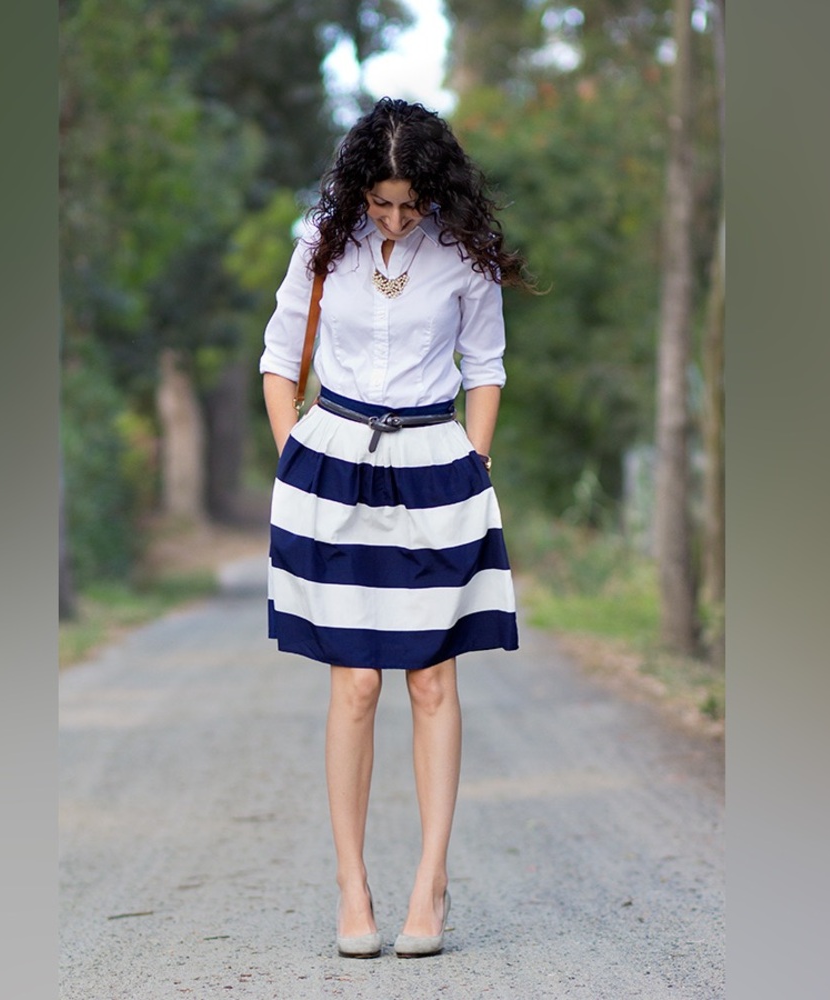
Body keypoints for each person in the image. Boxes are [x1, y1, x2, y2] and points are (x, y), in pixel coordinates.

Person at [259, 97, 532, 959]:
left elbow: (483, 368)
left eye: (410, 203)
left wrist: (476, 463)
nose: (396, 217)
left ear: (435, 189)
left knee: (432, 682)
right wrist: (293, 455)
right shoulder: (319, 247)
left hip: (434, 468)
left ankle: (431, 883)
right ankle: (353, 887)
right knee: (356, 685)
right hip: (331, 466)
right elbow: (277, 359)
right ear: (356, 190)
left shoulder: (464, 257)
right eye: (381, 202)